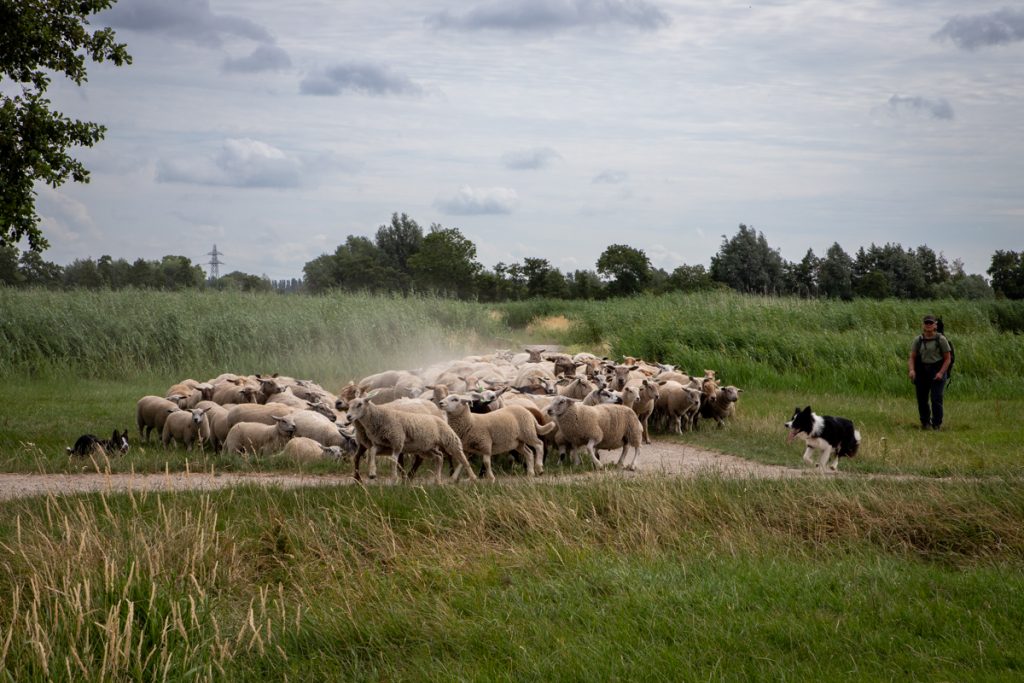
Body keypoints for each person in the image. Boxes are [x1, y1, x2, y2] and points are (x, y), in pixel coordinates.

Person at [908, 314, 952, 430]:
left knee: (936, 398)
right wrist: (912, 370)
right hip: (922, 371)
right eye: (926, 323)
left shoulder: (941, 339)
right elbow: (912, 357)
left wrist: (941, 373)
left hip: (937, 370)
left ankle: (936, 424)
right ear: (923, 325)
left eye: (930, 323)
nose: (928, 325)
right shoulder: (918, 340)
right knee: (922, 399)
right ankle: (925, 423)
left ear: (935, 325)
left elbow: (948, 359)